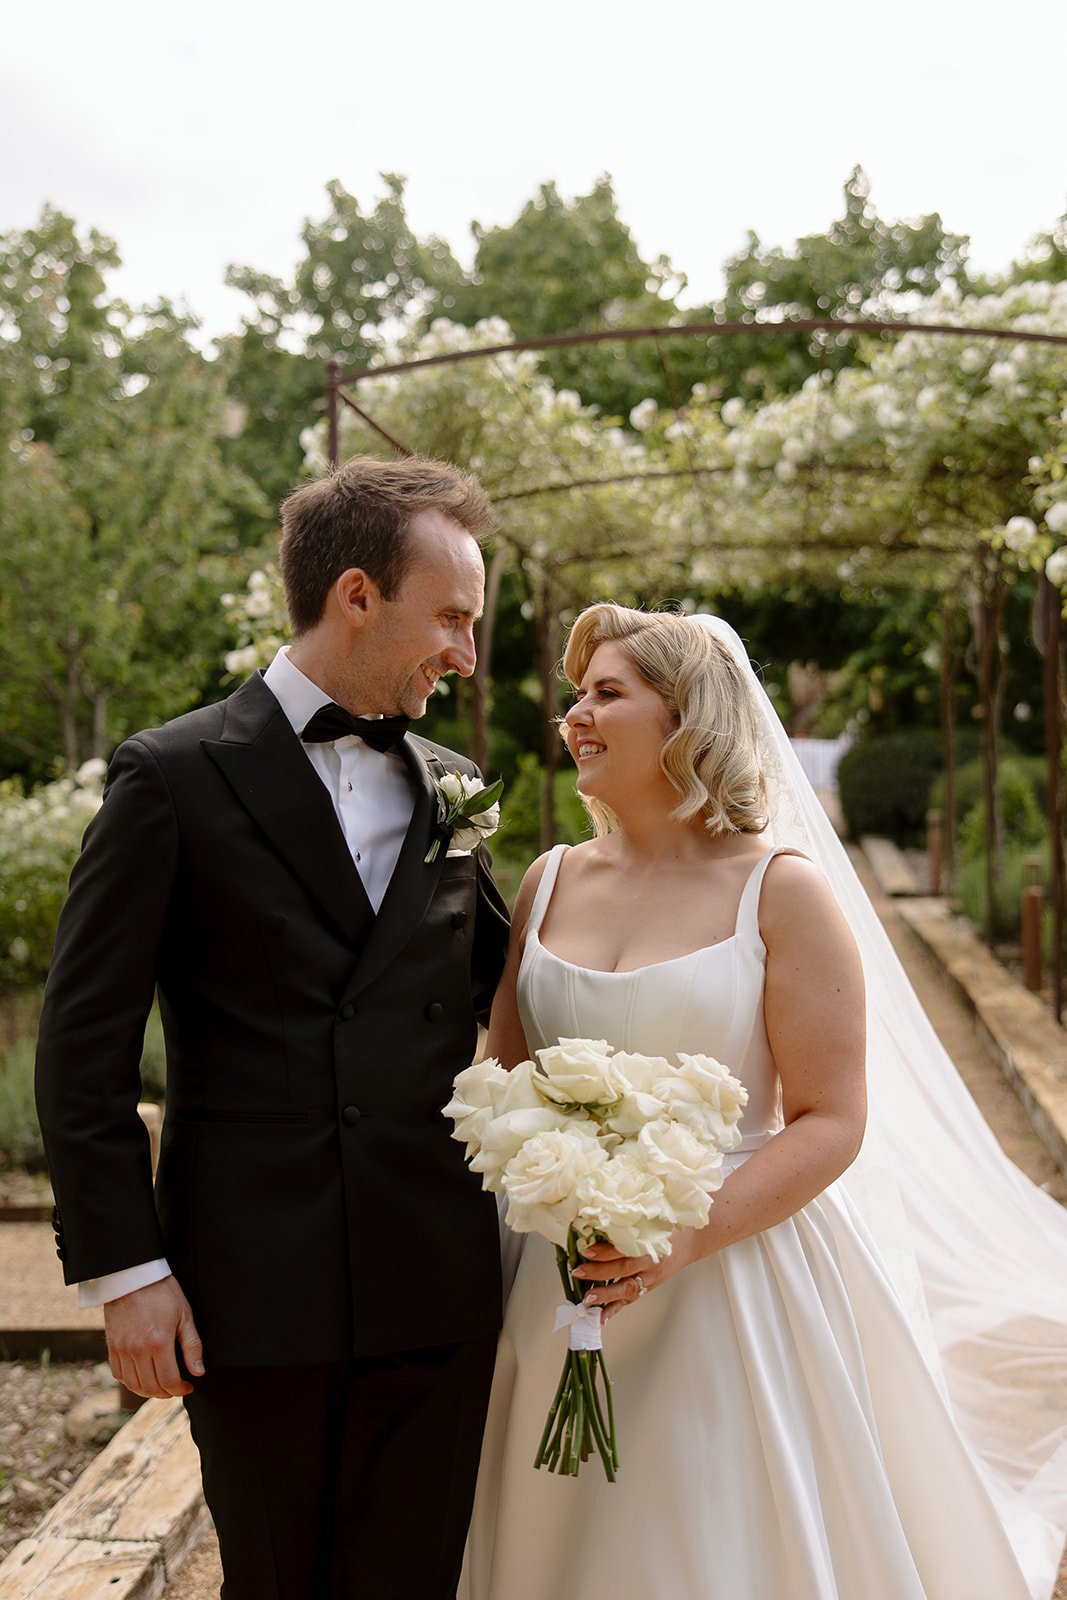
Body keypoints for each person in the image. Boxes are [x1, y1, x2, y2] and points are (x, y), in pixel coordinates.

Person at [461, 603, 1067, 1600]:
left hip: (728, 1277)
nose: (575, 715)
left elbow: (832, 1118)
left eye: (607, 693)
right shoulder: (545, 881)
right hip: (559, 1276)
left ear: (687, 719)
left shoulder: (780, 892)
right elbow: (509, 1079)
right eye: (576, 694)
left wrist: (683, 1235)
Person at [35, 454, 511, 1600]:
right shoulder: (170, 776)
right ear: (357, 595)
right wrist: (127, 1270)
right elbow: (82, 1049)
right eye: (451, 616)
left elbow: (522, 991)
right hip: (252, 1288)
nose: (466, 652)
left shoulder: (453, 786)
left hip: (433, 1276)